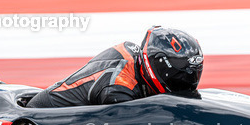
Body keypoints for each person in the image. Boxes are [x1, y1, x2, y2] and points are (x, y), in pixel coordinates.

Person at [26, 26, 203, 108]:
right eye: (181, 77)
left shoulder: (136, 58)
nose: (187, 83)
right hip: (42, 123)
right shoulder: (118, 89)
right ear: (159, 67)